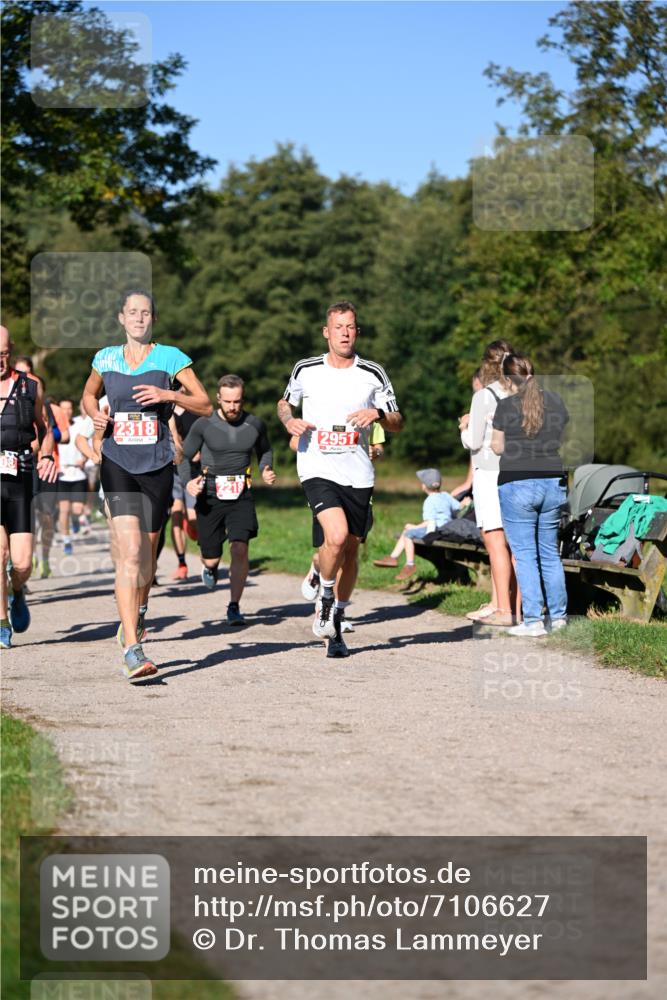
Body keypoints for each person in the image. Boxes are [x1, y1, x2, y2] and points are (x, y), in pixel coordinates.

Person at [82, 290, 212, 681]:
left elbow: (205, 404)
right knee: (132, 552)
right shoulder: (105, 358)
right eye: (132, 312)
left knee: (148, 561)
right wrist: (96, 418)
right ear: (121, 318)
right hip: (118, 462)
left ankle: (136, 613)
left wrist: (168, 393)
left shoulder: (171, 357)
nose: (139, 318)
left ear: (153, 318)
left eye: (146, 313)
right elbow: (89, 396)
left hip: (156, 464)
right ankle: (132, 650)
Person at [278, 300, 402, 658]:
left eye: (350, 327)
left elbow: (397, 420)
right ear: (326, 332)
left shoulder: (373, 373)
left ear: (357, 331)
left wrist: (378, 414)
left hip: (358, 473)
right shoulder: (307, 369)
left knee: (351, 548)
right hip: (317, 467)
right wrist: (289, 421)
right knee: (336, 535)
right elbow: (284, 403)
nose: (345, 333)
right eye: (338, 327)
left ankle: (335, 618)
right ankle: (327, 601)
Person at [180, 374, 276, 625]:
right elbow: (183, 456)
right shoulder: (203, 425)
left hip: (241, 494)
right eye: (228, 402)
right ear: (218, 398)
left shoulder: (254, 424)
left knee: (240, 547)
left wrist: (266, 468)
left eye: (238, 402)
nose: (233, 407)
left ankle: (234, 605)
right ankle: (210, 567)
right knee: (211, 557)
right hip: (210, 495)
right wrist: (188, 482)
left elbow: (265, 450)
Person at [491, 353, 569, 637]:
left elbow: (498, 448)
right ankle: (559, 618)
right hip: (552, 481)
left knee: (525, 555)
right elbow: (558, 435)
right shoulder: (557, 402)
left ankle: (534, 621)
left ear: (507, 379)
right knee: (549, 553)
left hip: (517, 483)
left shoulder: (505, 406)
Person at [0, 326, 57, 649]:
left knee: (22, 563)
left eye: (4, 353)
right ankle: (2, 622)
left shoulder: (29, 387)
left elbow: (46, 429)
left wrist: (46, 453)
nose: (0, 360)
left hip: (19, 477)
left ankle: (17, 589)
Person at [459, 340, 519, 626]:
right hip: (520, 471)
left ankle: (503, 611)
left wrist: (464, 428)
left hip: (489, 472)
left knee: (495, 541)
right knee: (517, 544)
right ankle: (517, 608)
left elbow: (473, 441)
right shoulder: (524, 391)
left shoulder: (485, 396)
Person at [373, 468, 461, 579]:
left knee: (409, 534)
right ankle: (393, 558)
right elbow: (458, 507)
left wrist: (415, 527)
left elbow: (430, 522)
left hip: (436, 531)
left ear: (424, 486)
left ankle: (410, 564)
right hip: (447, 528)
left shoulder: (429, 501)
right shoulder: (446, 496)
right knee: (407, 530)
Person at [56, 398, 91, 550]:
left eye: (69, 408)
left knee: (77, 509)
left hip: (78, 473)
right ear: (59, 410)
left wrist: (84, 458)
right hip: (62, 473)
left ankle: (76, 521)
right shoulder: (55, 428)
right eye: (64, 408)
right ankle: (66, 540)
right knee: (64, 510)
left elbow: (88, 444)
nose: (67, 411)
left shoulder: (80, 425)